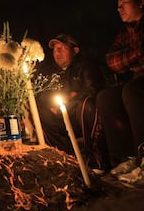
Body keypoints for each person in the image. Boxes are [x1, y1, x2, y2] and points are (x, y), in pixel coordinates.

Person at [96, 0, 144, 178]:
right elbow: (112, 61)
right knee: (106, 97)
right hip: (142, 79)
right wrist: (139, 51)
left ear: (142, 2)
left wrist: (132, 64)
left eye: (124, 4)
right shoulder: (126, 31)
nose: (119, 9)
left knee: (132, 90)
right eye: (118, 5)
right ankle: (124, 158)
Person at [36, 34, 107, 169]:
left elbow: (92, 90)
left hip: (79, 115)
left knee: (87, 105)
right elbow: (42, 95)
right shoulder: (51, 73)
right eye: (55, 49)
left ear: (75, 51)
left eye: (62, 48)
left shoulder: (86, 66)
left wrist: (68, 101)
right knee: (42, 112)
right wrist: (53, 103)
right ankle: (61, 158)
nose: (57, 52)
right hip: (59, 116)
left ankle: (97, 160)